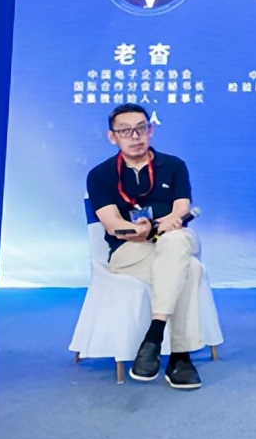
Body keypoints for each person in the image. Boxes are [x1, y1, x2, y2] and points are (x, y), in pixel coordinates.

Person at [85, 103, 204, 389]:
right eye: (126, 131)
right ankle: (180, 358)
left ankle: (154, 335)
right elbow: (112, 224)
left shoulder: (174, 166)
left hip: (174, 238)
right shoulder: (100, 175)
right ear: (112, 137)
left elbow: (180, 210)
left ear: (151, 130)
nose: (135, 136)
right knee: (190, 269)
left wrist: (166, 224)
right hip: (130, 250)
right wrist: (138, 230)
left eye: (141, 129)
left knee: (175, 240)